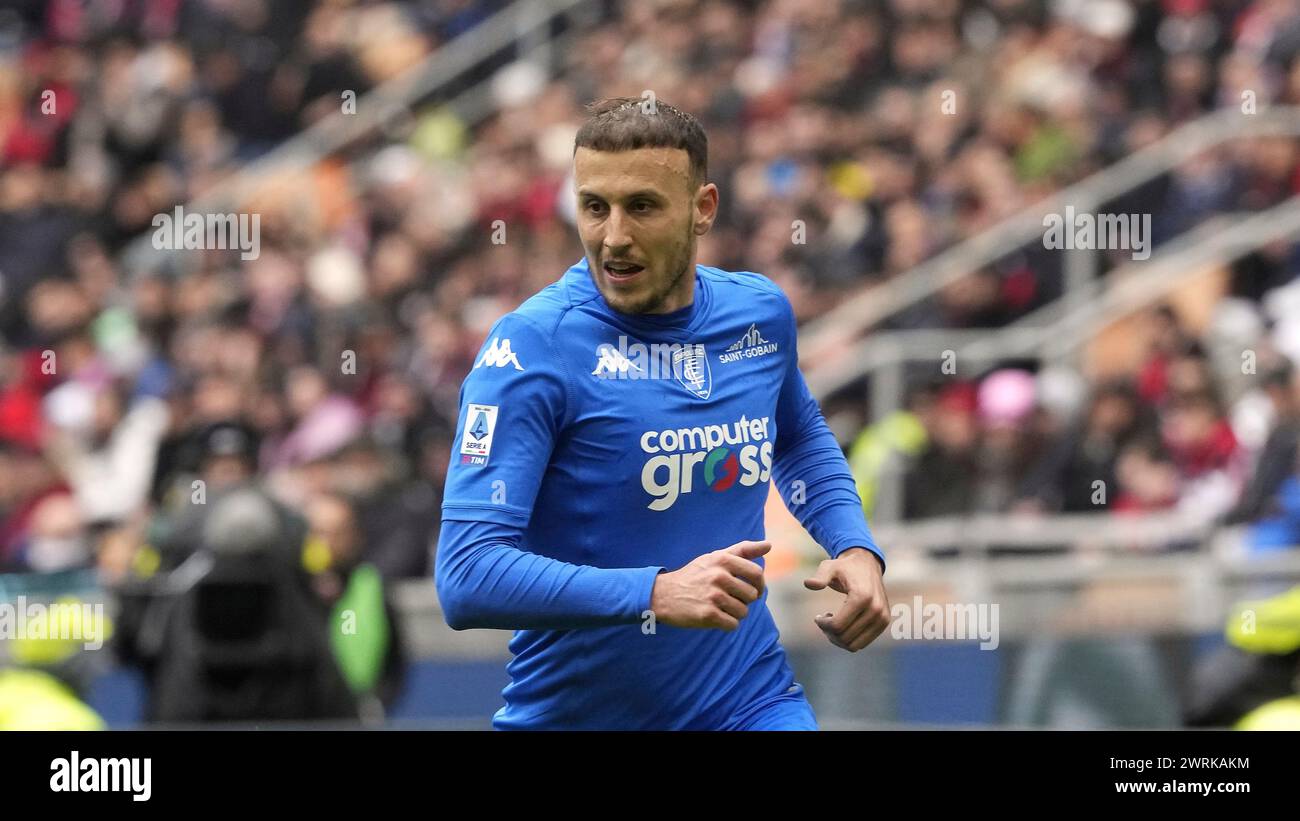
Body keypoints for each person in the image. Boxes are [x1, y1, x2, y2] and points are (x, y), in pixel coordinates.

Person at [435, 97, 889, 731]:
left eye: (642, 206)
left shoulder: (758, 316)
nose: (613, 236)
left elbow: (798, 436)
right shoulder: (533, 347)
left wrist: (855, 545)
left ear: (703, 208)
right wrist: (654, 592)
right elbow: (467, 576)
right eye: (594, 207)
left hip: (750, 705)